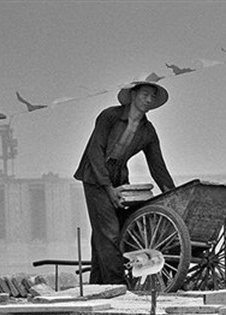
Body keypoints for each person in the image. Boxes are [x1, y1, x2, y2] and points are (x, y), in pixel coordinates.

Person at [74, 80, 176, 284]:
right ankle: (116, 284)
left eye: (152, 97)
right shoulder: (109, 116)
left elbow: (158, 167)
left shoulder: (148, 131)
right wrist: (107, 187)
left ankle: (98, 284)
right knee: (109, 231)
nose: (148, 100)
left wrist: (172, 194)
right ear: (133, 96)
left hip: (119, 177)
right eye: (144, 95)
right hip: (94, 176)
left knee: (109, 232)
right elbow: (95, 151)